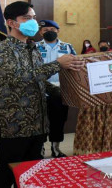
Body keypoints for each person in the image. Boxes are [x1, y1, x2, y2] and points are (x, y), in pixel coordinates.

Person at [0, 1, 84, 188]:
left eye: (33, 17)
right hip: (14, 124)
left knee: (31, 173)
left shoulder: (32, 48)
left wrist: (65, 92)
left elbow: (38, 79)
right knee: (7, 172)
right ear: (11, 22)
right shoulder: (2, 49)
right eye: (26, 18)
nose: (32, 22)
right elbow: (16, 79)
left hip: (38, 124)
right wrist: (57, 64)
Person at [36, 20, 76, 158]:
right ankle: (39, 149)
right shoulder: (33, 47)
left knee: (58, 120)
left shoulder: (67, 47)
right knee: (39, 121)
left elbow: (76, 68)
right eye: (46, 30)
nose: (49, 32)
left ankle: (56, 148)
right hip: (39, 90)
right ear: (40, 32)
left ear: (58, 31)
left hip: (60, 91)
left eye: (52, 29)